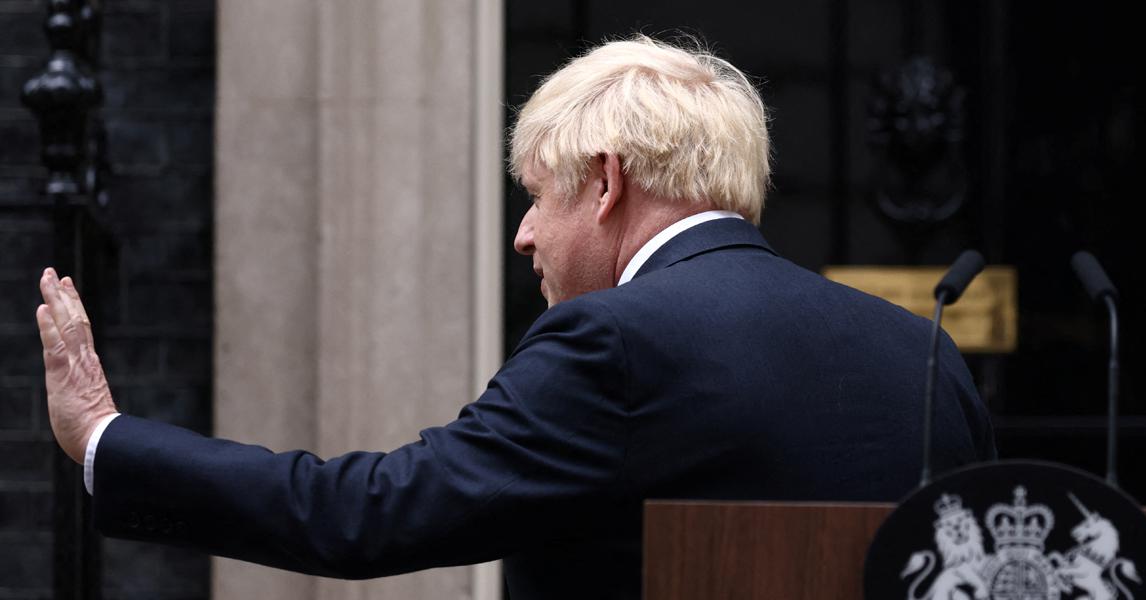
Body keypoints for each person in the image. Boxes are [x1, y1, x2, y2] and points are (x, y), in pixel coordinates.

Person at [36, 36, 995, 599]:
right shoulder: (923, 351)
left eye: (536, 195)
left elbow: (364, 517)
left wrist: (105, 441)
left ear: (608, 182)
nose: (524, 235)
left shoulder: (614, 341)